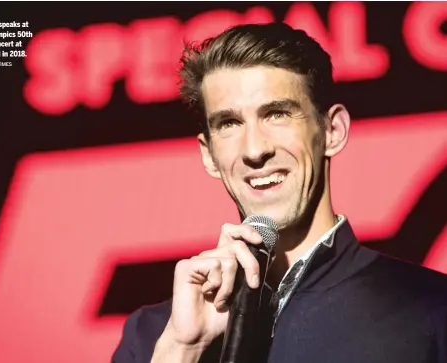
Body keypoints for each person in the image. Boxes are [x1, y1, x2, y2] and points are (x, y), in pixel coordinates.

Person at [112, 22, 447, 363]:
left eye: (276, 114)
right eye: (229, 124)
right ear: (208, 154)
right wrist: (184, 350)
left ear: (332, 131)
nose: (255, 150)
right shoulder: (155, 335)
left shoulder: (434, 312)